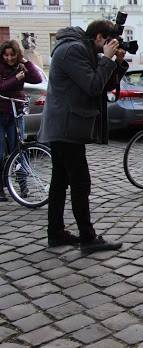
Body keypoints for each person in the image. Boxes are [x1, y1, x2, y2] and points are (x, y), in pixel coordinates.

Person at [39, 20, 127, 253]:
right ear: (99, 37)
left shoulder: (79, 48)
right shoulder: (73, 50)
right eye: (108, 42)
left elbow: (103, 83)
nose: (109, 46)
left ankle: (55, 233)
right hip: (67, 126)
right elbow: (92, 85)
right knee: (80, 182)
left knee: (60, 182)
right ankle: (88, 238)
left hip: (66, 125)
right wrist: (107, 59)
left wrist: (116, 62)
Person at [0, 40, 43, 201]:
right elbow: (2, 87)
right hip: (1, 113)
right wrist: (16, 79)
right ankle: (1, 190)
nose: (9, 58)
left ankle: (22, 187)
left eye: (12, 55)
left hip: (15, 113)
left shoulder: (21, 66)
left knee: (18, 150)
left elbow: (37, 79)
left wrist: (25, 62)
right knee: (0, 153)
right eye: (6, 55)